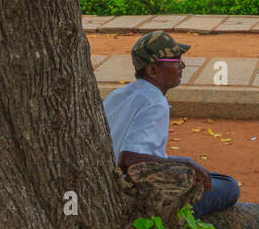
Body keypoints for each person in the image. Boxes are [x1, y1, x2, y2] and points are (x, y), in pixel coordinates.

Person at [103, 31, 240, 217]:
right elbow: (128, 159)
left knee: (212, 178)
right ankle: (176, 219)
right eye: (175, 59)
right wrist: (185, 162)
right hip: (135, 195)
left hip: (108, 185)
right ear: (152, 70)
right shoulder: (154, 102)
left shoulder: (120, 94)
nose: (182, 65)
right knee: (229, 187)